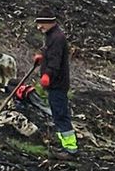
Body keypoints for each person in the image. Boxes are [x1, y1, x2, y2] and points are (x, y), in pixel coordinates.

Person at [17, 8, 77, 153]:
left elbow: (55, 61)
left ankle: (70, 148)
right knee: (56, 114)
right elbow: (50, 54)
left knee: (60, 114)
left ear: (49, 22)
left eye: (41, 24)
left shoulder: (57, 37)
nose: (39, 27)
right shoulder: (51, 35)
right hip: (54, 84)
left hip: (58, 83)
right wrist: (42, 57)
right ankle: (63, 144)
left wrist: (47, 75)